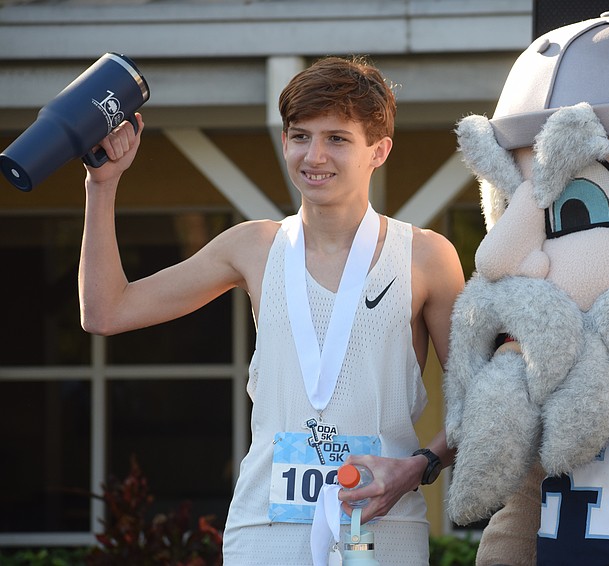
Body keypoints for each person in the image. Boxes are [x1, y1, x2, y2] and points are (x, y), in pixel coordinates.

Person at [79, 56, 465, 565]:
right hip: (263, 531)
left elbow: (482, 401)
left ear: (379, 150)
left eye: (337, 138)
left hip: (382, 522)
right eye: (300, 135)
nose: (314, 155)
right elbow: (107, 312)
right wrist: (101, 186)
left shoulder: (426, 256)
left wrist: (417, 467)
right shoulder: (253, 246)